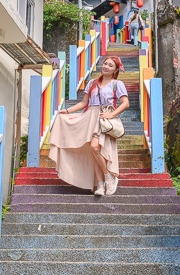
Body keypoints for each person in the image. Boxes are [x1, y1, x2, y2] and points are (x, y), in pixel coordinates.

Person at [49, 56, 129, 196]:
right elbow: (83, 103)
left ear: (116, 69)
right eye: (105, 63)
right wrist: (67, 111)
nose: (106, 67)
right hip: (90, 117)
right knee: (94, 151)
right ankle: (99, 184)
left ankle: (109, 176)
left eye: (110, 65)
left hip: (104, 119)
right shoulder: (92, 82)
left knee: (95, 147)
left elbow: (125, 103)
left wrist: (111, 115)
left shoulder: (117, 84)